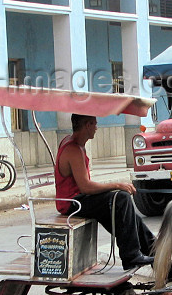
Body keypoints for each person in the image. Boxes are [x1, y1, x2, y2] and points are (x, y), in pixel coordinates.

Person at [55, 114, 155, 270]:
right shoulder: (72, 149)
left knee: (131, 217)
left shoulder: (76, 144)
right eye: (94, 124)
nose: (96, 127)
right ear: (86, 125)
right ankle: (131, 256)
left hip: (80, 199)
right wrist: (116, 185)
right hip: (72, 204)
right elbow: (85, 187)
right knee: (121, 198)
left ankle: (159, 256)